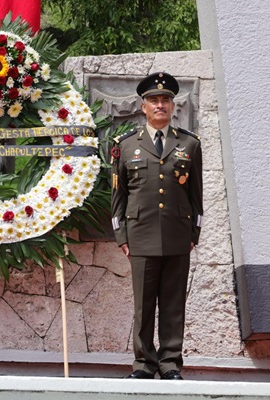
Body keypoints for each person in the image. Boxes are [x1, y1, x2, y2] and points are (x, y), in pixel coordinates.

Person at [111, 72, 203, 380]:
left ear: (173, 106)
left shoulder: (189, 144)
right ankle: (143, 365)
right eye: (154, 100)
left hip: (178, 235)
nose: (160, 105)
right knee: (144, 305)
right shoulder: (125, 146)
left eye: (165, 100)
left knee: (174, 304)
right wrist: (121, 234)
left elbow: (196, 195)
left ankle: (170, 364)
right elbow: (119, 196)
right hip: (140, 235)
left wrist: (194, 233)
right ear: (143, 106)